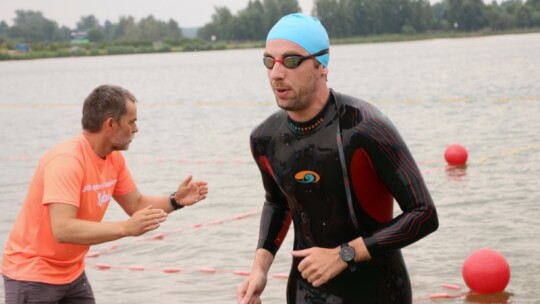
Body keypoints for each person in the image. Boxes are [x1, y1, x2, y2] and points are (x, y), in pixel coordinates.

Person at [236, 13, 438, 304]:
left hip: (378, 292)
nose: (276, 74)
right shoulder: (264, 139)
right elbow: (278, 202)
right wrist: (259, 270)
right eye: (269, 61)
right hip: (307, 292)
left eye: (291, 61)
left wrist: (345, 254)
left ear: (322, 65)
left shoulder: (364, 126)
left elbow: (423, 214)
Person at [2, 84, 209, 304]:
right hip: (32, 275)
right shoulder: (67, 160)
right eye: (132, 122)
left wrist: (175, 201)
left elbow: (136, 204)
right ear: (110, 124)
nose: (136, 129)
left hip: (72, 274)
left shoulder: (113, 158)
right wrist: (126, 228)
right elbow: (63, 229)